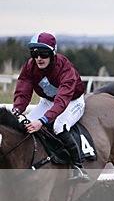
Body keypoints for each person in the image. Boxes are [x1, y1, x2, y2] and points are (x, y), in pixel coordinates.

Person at [12, 32, 89, 182]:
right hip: (48, 101)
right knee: (25, 125)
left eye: (44, 53)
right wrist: (17, 110)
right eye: (34, 53)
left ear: (53, 53)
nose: (39, 58)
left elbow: (62, 101)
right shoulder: (30, 66)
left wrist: (42, 120)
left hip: (72, 101)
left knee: (59, 126)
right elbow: (23, 92)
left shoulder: (65, 68)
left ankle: (79, 167)